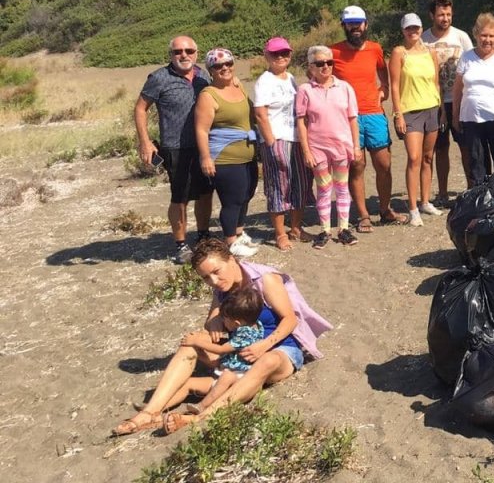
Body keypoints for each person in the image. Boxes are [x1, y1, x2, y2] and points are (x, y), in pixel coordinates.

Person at [110, 237, 332, 437]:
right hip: (240, 353)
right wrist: (213, 322)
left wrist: (264, 345)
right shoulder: (221, 290)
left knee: (268, 360)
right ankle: (150, 412)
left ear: (232, 260)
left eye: (217, 272)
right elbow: (211, 325)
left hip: (280, 349)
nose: (214, 281)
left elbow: (290, 320)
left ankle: (200, 417)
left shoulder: (265, 279)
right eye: (206, 278)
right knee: (191, 342)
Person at [134, 35, 215, 261]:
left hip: (204, 146)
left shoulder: (203, 76)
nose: (184, 55)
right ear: (170, 55)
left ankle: (203, 235)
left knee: (206, 193)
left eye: (189, 50)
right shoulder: (159, 77)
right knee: (180, 197)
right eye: (178, 51)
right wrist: (145, 141)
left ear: (196, 53)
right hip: (176, 147)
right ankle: (180, 244)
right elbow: (140, 108)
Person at [331, 5, 406, 231]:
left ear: (365, 24)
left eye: (359, 23)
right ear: (344, 26)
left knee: (384, 163)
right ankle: (363, 215)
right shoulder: (332, 52)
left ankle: (385, 210)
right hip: (347, 119)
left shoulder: (374, 49)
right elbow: (318, 77)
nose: (355, 27)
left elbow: (385, 77)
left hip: (374, 114)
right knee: (357, 165)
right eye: (350, 23)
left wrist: (382, 89)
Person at [193, 48, 259, 258]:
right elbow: (201, 129)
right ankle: (230, 240)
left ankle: (239, 233)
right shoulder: (208, 95)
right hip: (225, 157)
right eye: (218, 66)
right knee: (232, 200)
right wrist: (205, 158)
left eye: (228, 64)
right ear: (210, 70)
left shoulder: (239, 87)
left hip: (248, 154)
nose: (224, 68)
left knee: (246, 195)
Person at [295, 45, 361, 248]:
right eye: (320, 63)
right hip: (317, 148)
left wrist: (356, 146)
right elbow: (301, 121)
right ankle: (325, 229)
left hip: (341, 146)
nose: (325, 67)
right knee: (323, 188)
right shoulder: (305, 90)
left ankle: (343, 228)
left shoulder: (345, 88)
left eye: (329, 63)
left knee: (342, 187)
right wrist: (306, 150)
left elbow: (352, 119)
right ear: (311, 67)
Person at [252, 37, 313, 250]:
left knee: (300, 184)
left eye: (284, 53)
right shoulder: (265, 81)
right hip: (277, 139)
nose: (280, 57)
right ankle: (279, 233)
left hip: (296, 139)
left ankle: (295, 228)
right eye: (275, 53)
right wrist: (271, 143)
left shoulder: (291, 79)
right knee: (278, 187)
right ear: (266, 55)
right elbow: (260, 115)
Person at [389, 13, 444, 226]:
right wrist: (398, 114)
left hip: (432, 108)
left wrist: (442, 109)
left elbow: (436, 82)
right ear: (403, 31)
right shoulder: (399, 53)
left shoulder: (430, 52)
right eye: (408, 28)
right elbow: (394, 85)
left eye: (416, 28)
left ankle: (425, 201)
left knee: (428, 157)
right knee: (414, 158)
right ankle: (412, 209)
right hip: (410, 110)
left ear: (422, 29)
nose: (413, 32)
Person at [176, 285, 264, 415]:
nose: (223, 323)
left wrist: (197, 341)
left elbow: (221, 349)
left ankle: (202, 405)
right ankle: (157, 408)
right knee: (189, 382)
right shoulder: (255, 324)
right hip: (231, 366)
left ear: (237, 323)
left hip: (241, 375)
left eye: (225, 319)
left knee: (227, 376)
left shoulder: (246, 334)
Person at [422, 0, 474, 200]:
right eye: (441, 14)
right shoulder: (424, 39)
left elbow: (472, 63)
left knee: (466, 146)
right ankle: (442, 193)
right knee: (440, 149)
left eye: (449, 14)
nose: (445, 18)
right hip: (434, 102)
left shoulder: (461, 37)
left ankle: (472, 189)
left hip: (460, 101)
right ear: (432, 15)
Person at [453, 13, 494, 185]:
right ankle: (481, 203)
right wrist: (455, 116)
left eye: (491, 36)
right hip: (471, 119)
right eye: (483, 35)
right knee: (477, 165)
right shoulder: (466, 57)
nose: (487, 39)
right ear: (476, 35)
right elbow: (457, 89)